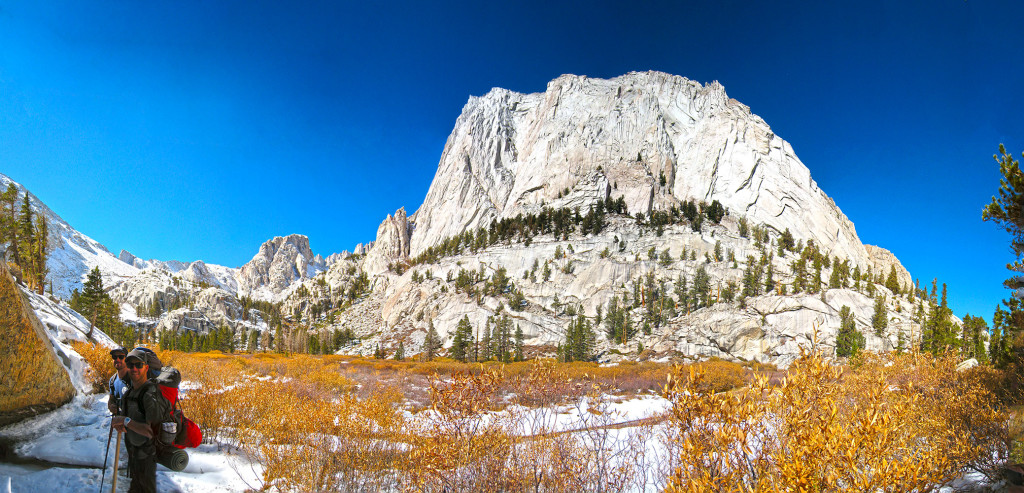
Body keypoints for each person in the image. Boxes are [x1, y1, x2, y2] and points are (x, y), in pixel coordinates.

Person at [112, 348, 168, 493]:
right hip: (134, 455)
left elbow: (151, 431)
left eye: (139, 365)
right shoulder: (129, 394)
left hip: (147, 457)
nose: (134, 368)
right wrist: (121, 424)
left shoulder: (150, 394)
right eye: (130, 365)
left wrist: (125, 421)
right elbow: (127, 423)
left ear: (146, 367)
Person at [108, 347, 128, 415]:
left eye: (121, 357)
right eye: (114, 357)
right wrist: (111, 406)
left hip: (132, 423)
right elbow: (111, 400)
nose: (117, 359)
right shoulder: (112, 380)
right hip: (118, 422)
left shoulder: (134, 379)